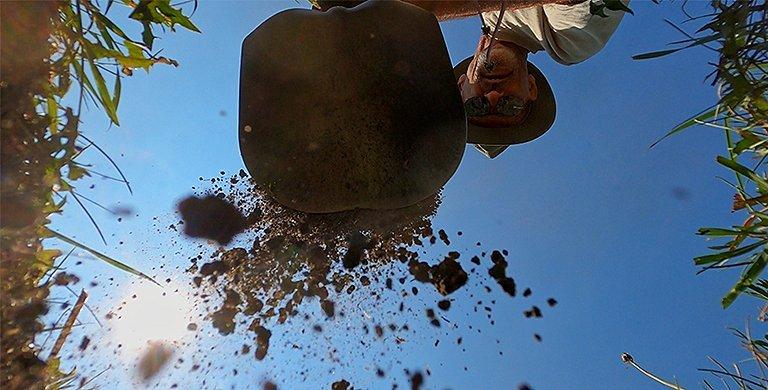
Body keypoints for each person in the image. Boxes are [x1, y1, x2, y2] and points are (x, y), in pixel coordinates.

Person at [318, 0, 628, 158]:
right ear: (531, 88)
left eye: (476, 108)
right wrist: (429, 7)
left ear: (461, 86)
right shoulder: (567, 44)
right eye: (508, 107)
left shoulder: (486, 16)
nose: (493, 96)